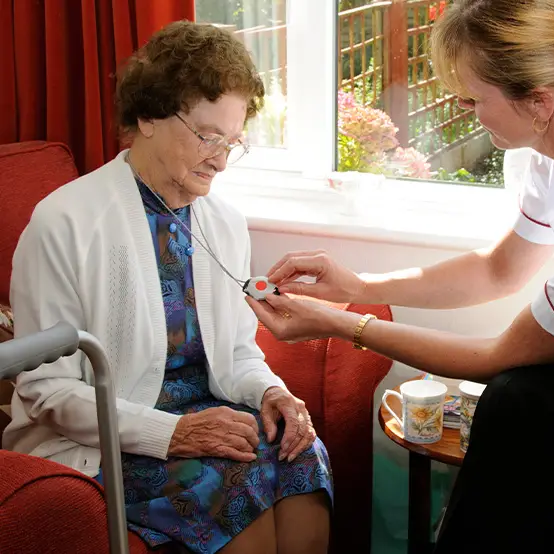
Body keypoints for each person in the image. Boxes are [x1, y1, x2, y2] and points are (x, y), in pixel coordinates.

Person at [246, 1, 554, 552]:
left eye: (473, 99)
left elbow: (496, 356)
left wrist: (338, 325)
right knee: (523, 409)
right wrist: (359, 288)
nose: (465, 110)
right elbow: (499, 271)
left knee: (520, 403)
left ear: (538, 102)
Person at [3, 21, 331, 554]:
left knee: (301, 456)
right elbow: (47, 391)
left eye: (234, 141)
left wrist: (272, 393)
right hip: (107, 440)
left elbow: (239, 352)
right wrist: (172, 434)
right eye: (207, 136)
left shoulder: (222, 220)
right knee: (230, 480)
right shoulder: (64, 222)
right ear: (149, 115)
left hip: (210, 415)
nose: (222, 159)